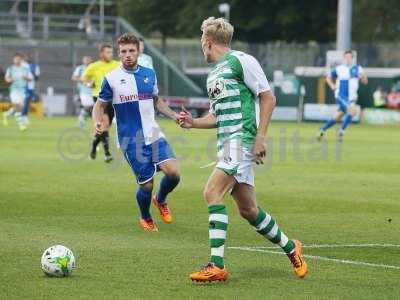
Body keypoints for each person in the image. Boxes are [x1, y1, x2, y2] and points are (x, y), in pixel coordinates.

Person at [178, 17, 307, 282]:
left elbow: (268, 97)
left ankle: (216, 265)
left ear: (208, 42)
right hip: (227, 142)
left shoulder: (242, 60)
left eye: (201, 41)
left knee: (212, 192)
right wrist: (193, 123)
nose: (201, 46)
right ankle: (291, 247)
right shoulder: (214, 74)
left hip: (243, 138)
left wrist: (260, 137)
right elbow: (217, 117)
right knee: (248, 210)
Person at [93, 33, 181, 232]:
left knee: (174, 173)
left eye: (131, 51)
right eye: (123, 51)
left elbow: (156, 100)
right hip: (130, 140)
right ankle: (145, 216)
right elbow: (99, 105)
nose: (128, 55)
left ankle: (160, 200)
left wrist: (174, 116)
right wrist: (97, 122)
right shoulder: (111, 79)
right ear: (119, 53)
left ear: (138, 51)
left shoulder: (149, 73)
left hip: (154, 133)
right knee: (146, 185)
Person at [317, 51, 368, 141]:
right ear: (343, 58)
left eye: (349, 57)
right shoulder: (339, 69)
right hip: (341, 96)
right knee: (353, 111)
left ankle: (322, 130)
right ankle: (341, 132)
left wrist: (363, 77)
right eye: (346, 57)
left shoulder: (358, 68)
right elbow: (328, 78)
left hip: (352, 97)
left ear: (352, 58)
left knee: (337, 117)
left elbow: (365, 82)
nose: (347, 59)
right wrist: (332, 85)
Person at [82, 44, 119, 162]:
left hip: (113, 99)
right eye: (107, 52)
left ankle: (94, 144)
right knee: (104, 124)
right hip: (99, 98)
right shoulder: (94, 66)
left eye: (111, 52)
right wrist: (89, 84)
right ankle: (107, 154)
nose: (110, 54)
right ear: (101, 54)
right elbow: (84, 78)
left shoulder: (117, 65)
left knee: (105, 127)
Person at [2, 53, 33, 131]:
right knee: (18, 108)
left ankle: (6, 114)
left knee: (19, 107)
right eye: (16, 59)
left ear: (21, 60)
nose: (17, 60)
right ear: (13, 60)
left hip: (22, 90)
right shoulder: (10, 69)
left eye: (19, 59)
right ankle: (21, 125)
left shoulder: (25, 69)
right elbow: (6, 78)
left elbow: (31, 78)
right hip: (14, 90)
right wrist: (9, 80)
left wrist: (26, 78)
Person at [71, 56, 93, 128]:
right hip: (84, 92)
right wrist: (83, 80)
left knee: (94, 108)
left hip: (95, 91)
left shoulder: (94, 67)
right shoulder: (80, 68)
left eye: (88, 59)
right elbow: (74, 77)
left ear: (91, 60)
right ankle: (81, 121)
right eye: (85, 60)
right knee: (87, 106)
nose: (86, 61)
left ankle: (82, 120)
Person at [21, 53, 40, 125]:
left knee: (27, 102)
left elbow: (37, 78)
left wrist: (31, 78)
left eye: (28, 57)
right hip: (21, 86)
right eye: (25, 57)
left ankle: (24, 116)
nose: (27, 58)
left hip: (30, 86)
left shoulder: (35, 66)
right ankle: (23, 116)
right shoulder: (21, 65)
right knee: (22, 102)